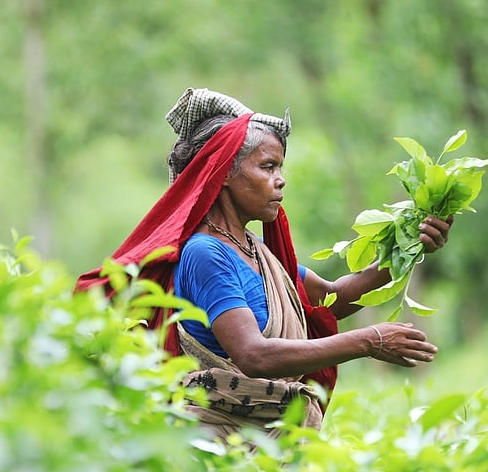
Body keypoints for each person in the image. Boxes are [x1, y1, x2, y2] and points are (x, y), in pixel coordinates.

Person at [76, 88, 452, 440]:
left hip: (268, 442)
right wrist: (368, 341)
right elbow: (253, 355)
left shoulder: (255, 251)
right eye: (268, 167)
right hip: (223, 447)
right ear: (222, 173)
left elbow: (331, 300)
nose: (280, 181)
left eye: (280, 168)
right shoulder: (205, 254)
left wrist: (410, 246)